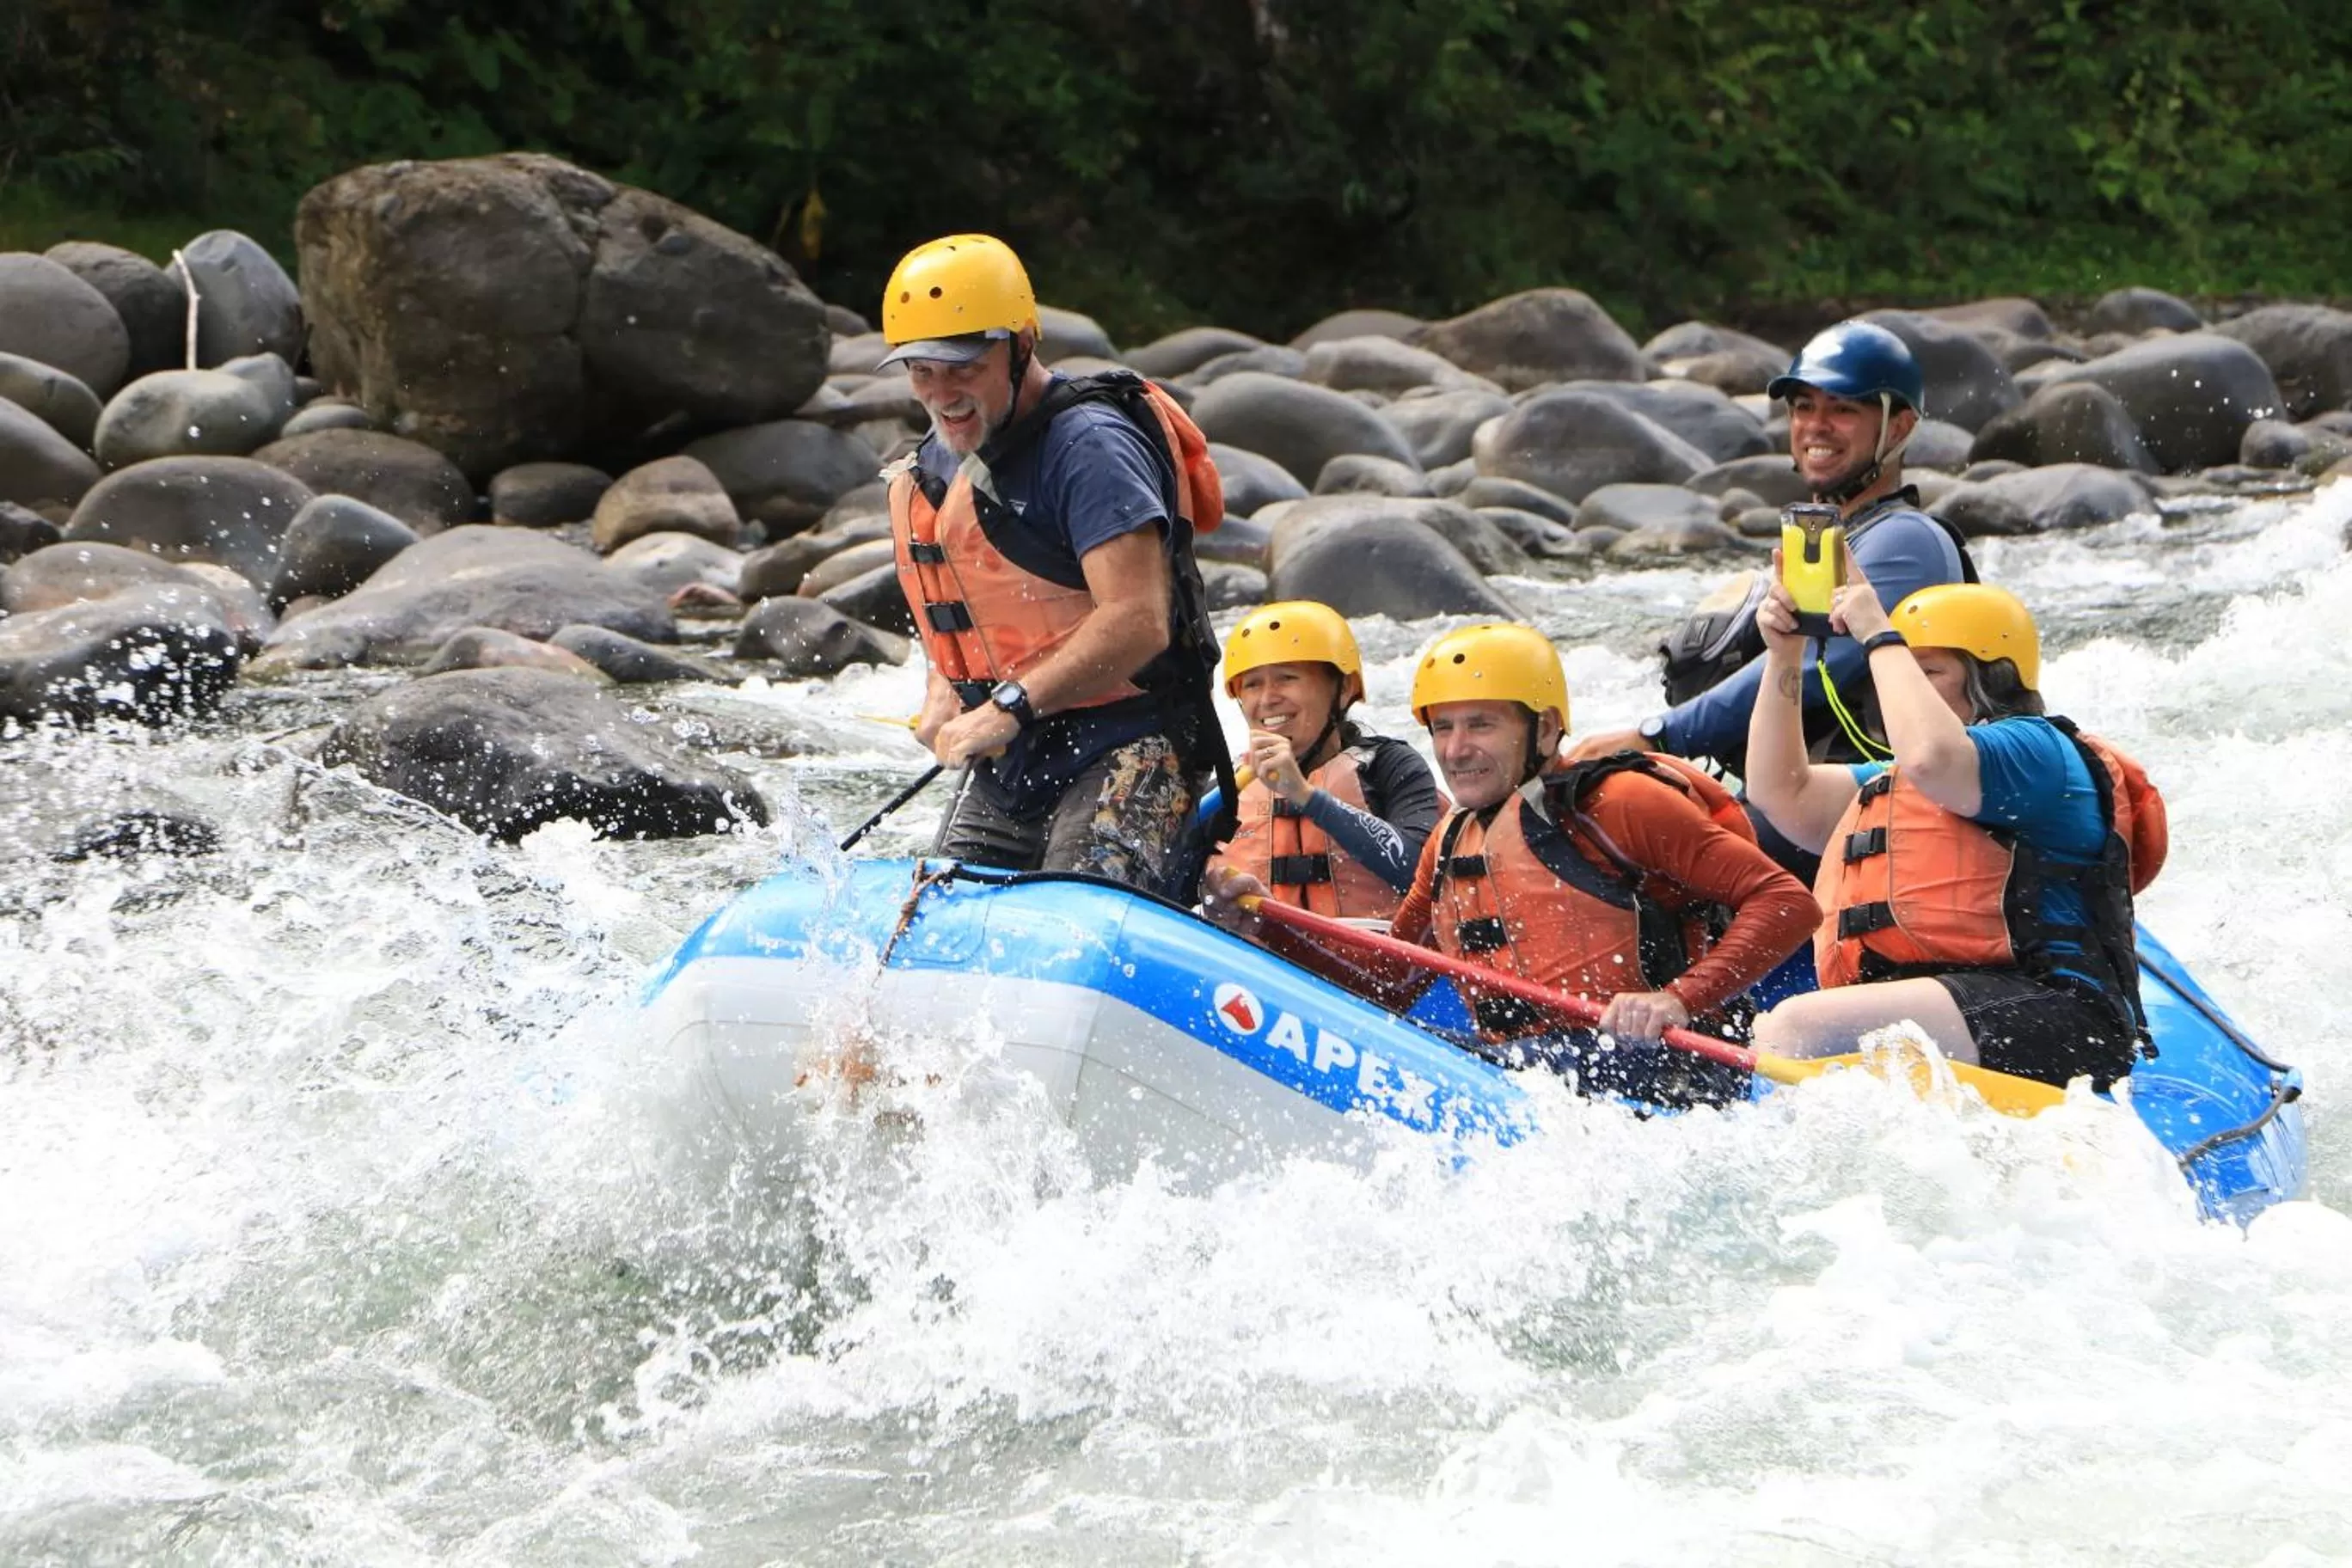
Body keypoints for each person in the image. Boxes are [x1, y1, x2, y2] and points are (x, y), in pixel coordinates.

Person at [1205, 623, 1818, 1099]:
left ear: (1545, 728)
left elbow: (1788, 902)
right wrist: (1265, 929)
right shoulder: (1449, 840)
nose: (1456, 749)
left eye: (1481, 725)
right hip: (1523, 1072)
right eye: (1442, 728)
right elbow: (1394, 978)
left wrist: (1678, 999)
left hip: (1662, 1066)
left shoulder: (1617, 804)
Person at [881, 233, 1234, 893]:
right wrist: (944, 693)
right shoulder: (937, 461)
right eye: (921, 370)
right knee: (935, 917)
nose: (941, 393)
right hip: (1015, 756)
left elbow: (1138, 620)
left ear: (1020, 345)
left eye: (962, 367)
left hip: (1134, 742)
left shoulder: (1090, 449)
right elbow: (964, 612)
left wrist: (1006, 707)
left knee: (1072, 917)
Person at [1743, 565, 2169, 1091]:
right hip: (1953, 1007)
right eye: (1903, 667)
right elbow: (1780, 791)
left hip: (2060, 1014)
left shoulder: (2036, 752)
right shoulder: (1901, 782)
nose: (1901, 683)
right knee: (1779, 1024)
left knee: (1795, 1026)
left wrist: (1877, 632)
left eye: (1930, 671)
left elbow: (1932, 756)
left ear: (1992, 677)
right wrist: (1785, 655)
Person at [1571, 322, 1976, 849]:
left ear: (1898, 428)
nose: (1816, 425)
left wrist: (1658, 736)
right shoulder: (1831, 537)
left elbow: (1816, 664)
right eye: (1804, 407)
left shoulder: (1907, 540)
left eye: (1843, 409)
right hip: (1807, 801)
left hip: (1876, 812)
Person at [1200, 602, 1446, 922]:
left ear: (1343, 689)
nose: (1267, 698)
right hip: (1262, 962)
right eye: (1252, 684)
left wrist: (1306, 796)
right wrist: (1209, 896)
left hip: (1372, 963)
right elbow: (1161, 887)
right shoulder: (1222, 792)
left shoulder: (1389, 767)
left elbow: (1423, 877)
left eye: (1287, 678)